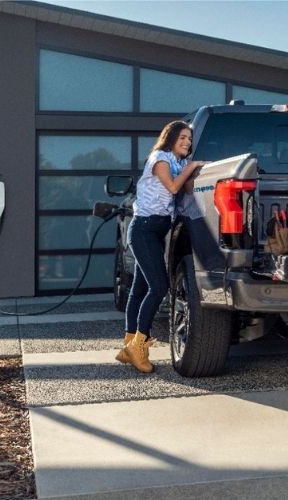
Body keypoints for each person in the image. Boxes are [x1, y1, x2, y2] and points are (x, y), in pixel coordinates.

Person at [115, 121, 204, 373]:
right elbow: (174, 187)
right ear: (171, 137)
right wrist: (192, 166)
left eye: (190, 138)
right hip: (144, 229)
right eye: (183, 137)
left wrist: (193, 170)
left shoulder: (179, 162)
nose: (187, 142)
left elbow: (186, 188)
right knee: (159, 286)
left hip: (157, 231)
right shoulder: (160, 158)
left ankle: (128, 347)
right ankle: (139, 347)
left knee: (139, 288)